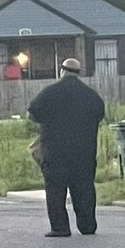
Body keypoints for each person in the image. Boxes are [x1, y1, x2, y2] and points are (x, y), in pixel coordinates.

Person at [27, 57, 106, 237]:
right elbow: (100, 115)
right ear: (79, 73)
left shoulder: (49, 93)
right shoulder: (91, 95)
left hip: (55, 151)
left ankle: (60, 227)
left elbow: (32, 114)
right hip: (84, 151)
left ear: (62, 71)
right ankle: (87, 226)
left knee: (55, 190)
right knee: (84, 188)